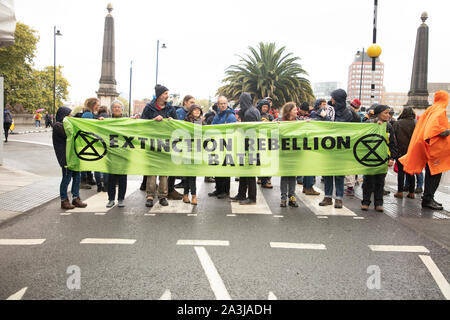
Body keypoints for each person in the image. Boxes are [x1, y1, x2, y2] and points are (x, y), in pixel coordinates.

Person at [399, 91, 450, 210]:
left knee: (431, 173)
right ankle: (428, 199)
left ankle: (428, 198)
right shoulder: (439, 111)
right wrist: (447, 131)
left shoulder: (431, 110)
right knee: (434, 174)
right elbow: (434, 130)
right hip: (435, 150)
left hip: (431, 149)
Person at [141, 85, 179, 207]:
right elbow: (142, 123)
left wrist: (171, 120)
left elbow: (177, 123)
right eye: (165, 93)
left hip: (165, 143)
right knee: (152, 171)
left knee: (163, 171)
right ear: (159, 95)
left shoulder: (170, 108)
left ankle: (163, 195)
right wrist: (153, 120)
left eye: (167, 93)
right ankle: (150, 196)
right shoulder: (149, 108)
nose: (167, 96)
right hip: (152, 142)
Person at [319, 89, 352, 209]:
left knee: (339, 174)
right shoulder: (328, 109)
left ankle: (339, 198)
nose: (331, 99)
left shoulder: (347, 112)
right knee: (327, 172)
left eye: (333, 97)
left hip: (340, 147)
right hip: (327, 146)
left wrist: (325, 118)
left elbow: (337, 126)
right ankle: (327, 197)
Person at [361, 105, 397, 212]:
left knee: (380, 182)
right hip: (370, 158)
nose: (388, 115)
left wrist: (392, 158)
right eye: (385, 113)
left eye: (389, 113)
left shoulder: (389, 126)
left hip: (382, 159)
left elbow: (392, 144)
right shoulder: (369, 124)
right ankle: (365, 202)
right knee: (368, 181)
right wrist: (376, 127)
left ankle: (379, 203)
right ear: (379, 113)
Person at [52, 106, 87, 210]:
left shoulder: (67, 124)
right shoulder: (58, 126)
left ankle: (76, 198)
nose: (70, 116)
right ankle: (64, 200)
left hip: (73, 156)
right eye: (68, 114)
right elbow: (68, 134)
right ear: (63, 115)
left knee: (77, 177)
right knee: (66, 178)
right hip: (65, 157)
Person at [230, 92, 261, 205]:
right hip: (251, 145)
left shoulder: (249, 113)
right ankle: (241, 194)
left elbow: (249, 132)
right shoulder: (254, 110)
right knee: (244, 171)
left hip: (249, 146)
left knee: (249, 173)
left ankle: (252, 197)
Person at [209, 96, 237, 199]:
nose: (223, 105)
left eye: (225, 103)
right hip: (217, 145)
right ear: (218, 105)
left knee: (225, 169)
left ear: (227, 104)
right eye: (221, 104)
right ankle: (218, 189)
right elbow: (212, 128)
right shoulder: (217, 116)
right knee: (217, 168)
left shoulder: (230, 116)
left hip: (227, 146)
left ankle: (225, 191)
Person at [278, 102, 300, 207]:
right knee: (285, 176)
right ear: (289, 111)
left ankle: (292, 197)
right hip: (284, 153)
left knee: (292, 176)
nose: (297, 111)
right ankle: (283, 198)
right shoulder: (280, 122)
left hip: (294, 153)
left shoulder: (299, 122)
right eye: (295, 109)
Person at [106, 100, 128, 208]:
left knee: (122, 178)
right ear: (111, 109)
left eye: (119, 107)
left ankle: (121, 199)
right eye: (115, 107)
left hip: (123, 153)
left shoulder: (127, 121)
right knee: (111, 178)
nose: (117, 109)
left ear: (122, 109)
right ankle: (110, 199)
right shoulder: (107, 121)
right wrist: (99, 121)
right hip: (111, 154)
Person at [182, 105, 205, 206]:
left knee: (191, 174)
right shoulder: (186, 121)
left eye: (198, 110)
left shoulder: (202, 122)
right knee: (188, 174)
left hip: (197, 151)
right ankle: (193, 196)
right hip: (187, 150)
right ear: (191, 111)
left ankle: (186, 195)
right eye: (195, 110)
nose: (197, 111)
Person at [393, 107, 416, 199]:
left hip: (400, 151)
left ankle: (400, 191)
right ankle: (411, 192)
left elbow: (393, 137)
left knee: (401, 172)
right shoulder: (415, 123)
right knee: (411, 172)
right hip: (412, 151)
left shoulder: (397, 123)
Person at [80, 98, 101, 190]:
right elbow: (87, 127)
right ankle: (83, 180)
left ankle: (89, 178)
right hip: (87, 140)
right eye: (97, 104)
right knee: (86, 160)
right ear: (93, 105)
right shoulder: (88, 114)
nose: (98, 106)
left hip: (87, 140)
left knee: (88, 159)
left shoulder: (89, 113)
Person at [256, 99, 274, 189]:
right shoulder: (257, 115)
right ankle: (260, 178)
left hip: (267, 140)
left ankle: (266, 179)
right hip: (258, 140)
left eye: (267, 107)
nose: (265, 108)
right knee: (259, 160)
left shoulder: (270, 116)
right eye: (264, 107)